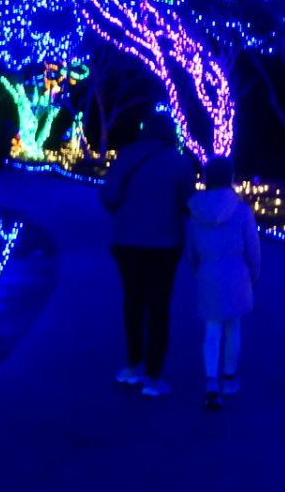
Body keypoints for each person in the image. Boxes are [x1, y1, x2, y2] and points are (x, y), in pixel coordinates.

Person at [98, 113, 200, 396]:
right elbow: (190, 204)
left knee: (132, 302)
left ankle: (132, 366)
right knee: (158, 307)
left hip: (126, 242)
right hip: (165, 245)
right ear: (170, 132)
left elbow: (107, 196)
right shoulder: (178, 162)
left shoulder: (126, 155)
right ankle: (153, 377)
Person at [184, 155, 260, 411]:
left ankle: (211, 384)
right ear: (230, 178)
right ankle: (229, 378)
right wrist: (253, 274)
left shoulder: (196, 211)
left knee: (212, 330)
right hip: (236, 272)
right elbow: (253, 248)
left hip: (208, 272)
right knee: (233, 326)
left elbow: (191, 251)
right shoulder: (241, 210)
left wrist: (199, 270)